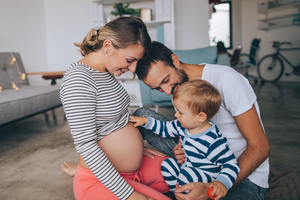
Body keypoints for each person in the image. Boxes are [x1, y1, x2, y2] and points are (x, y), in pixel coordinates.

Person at [132, 41, 270, 200]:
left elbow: (261, 147)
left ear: (175, 61)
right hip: (199, 160)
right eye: (158, 88)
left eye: (165, 80)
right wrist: (180, 145)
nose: (167, 91)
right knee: (141, 115)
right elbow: (188, 127)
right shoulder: (176, 86)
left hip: (240, 174)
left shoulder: (227, 80)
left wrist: (213, 187)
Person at [60, 17, 172, 200]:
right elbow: (86, 145)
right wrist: (129, 195)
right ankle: (82, 175)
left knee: (184, 177)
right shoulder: (78, 80)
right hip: (98, 179)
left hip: (128, 168)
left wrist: (133, 148)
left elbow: (111, 121)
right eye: (130, 60)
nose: (133, 68)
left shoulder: (104, 70)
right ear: (108, 46)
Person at [130, 79, 240, 200]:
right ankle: (179, 194)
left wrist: (221, 183)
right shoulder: (184, 126)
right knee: (167, 165)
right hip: (187, 167)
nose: (176, 115)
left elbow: (231, 164)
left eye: (180, 113)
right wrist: (146, 121)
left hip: (205, 177)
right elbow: (165, 128)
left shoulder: (213, 140)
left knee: (186, 175)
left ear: (201, 117)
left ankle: (186, 193)